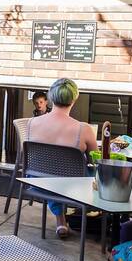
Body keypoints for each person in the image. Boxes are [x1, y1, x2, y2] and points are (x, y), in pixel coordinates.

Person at [25, 78, 97, 238]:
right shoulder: (84, 129)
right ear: (74, 99)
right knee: (100, 175)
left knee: (53, 172)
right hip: (73, 188)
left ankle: (62, 218)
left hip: (37, 182)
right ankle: (105, 222)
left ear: (50, 98)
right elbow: (96, 161)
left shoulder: (31, 123)